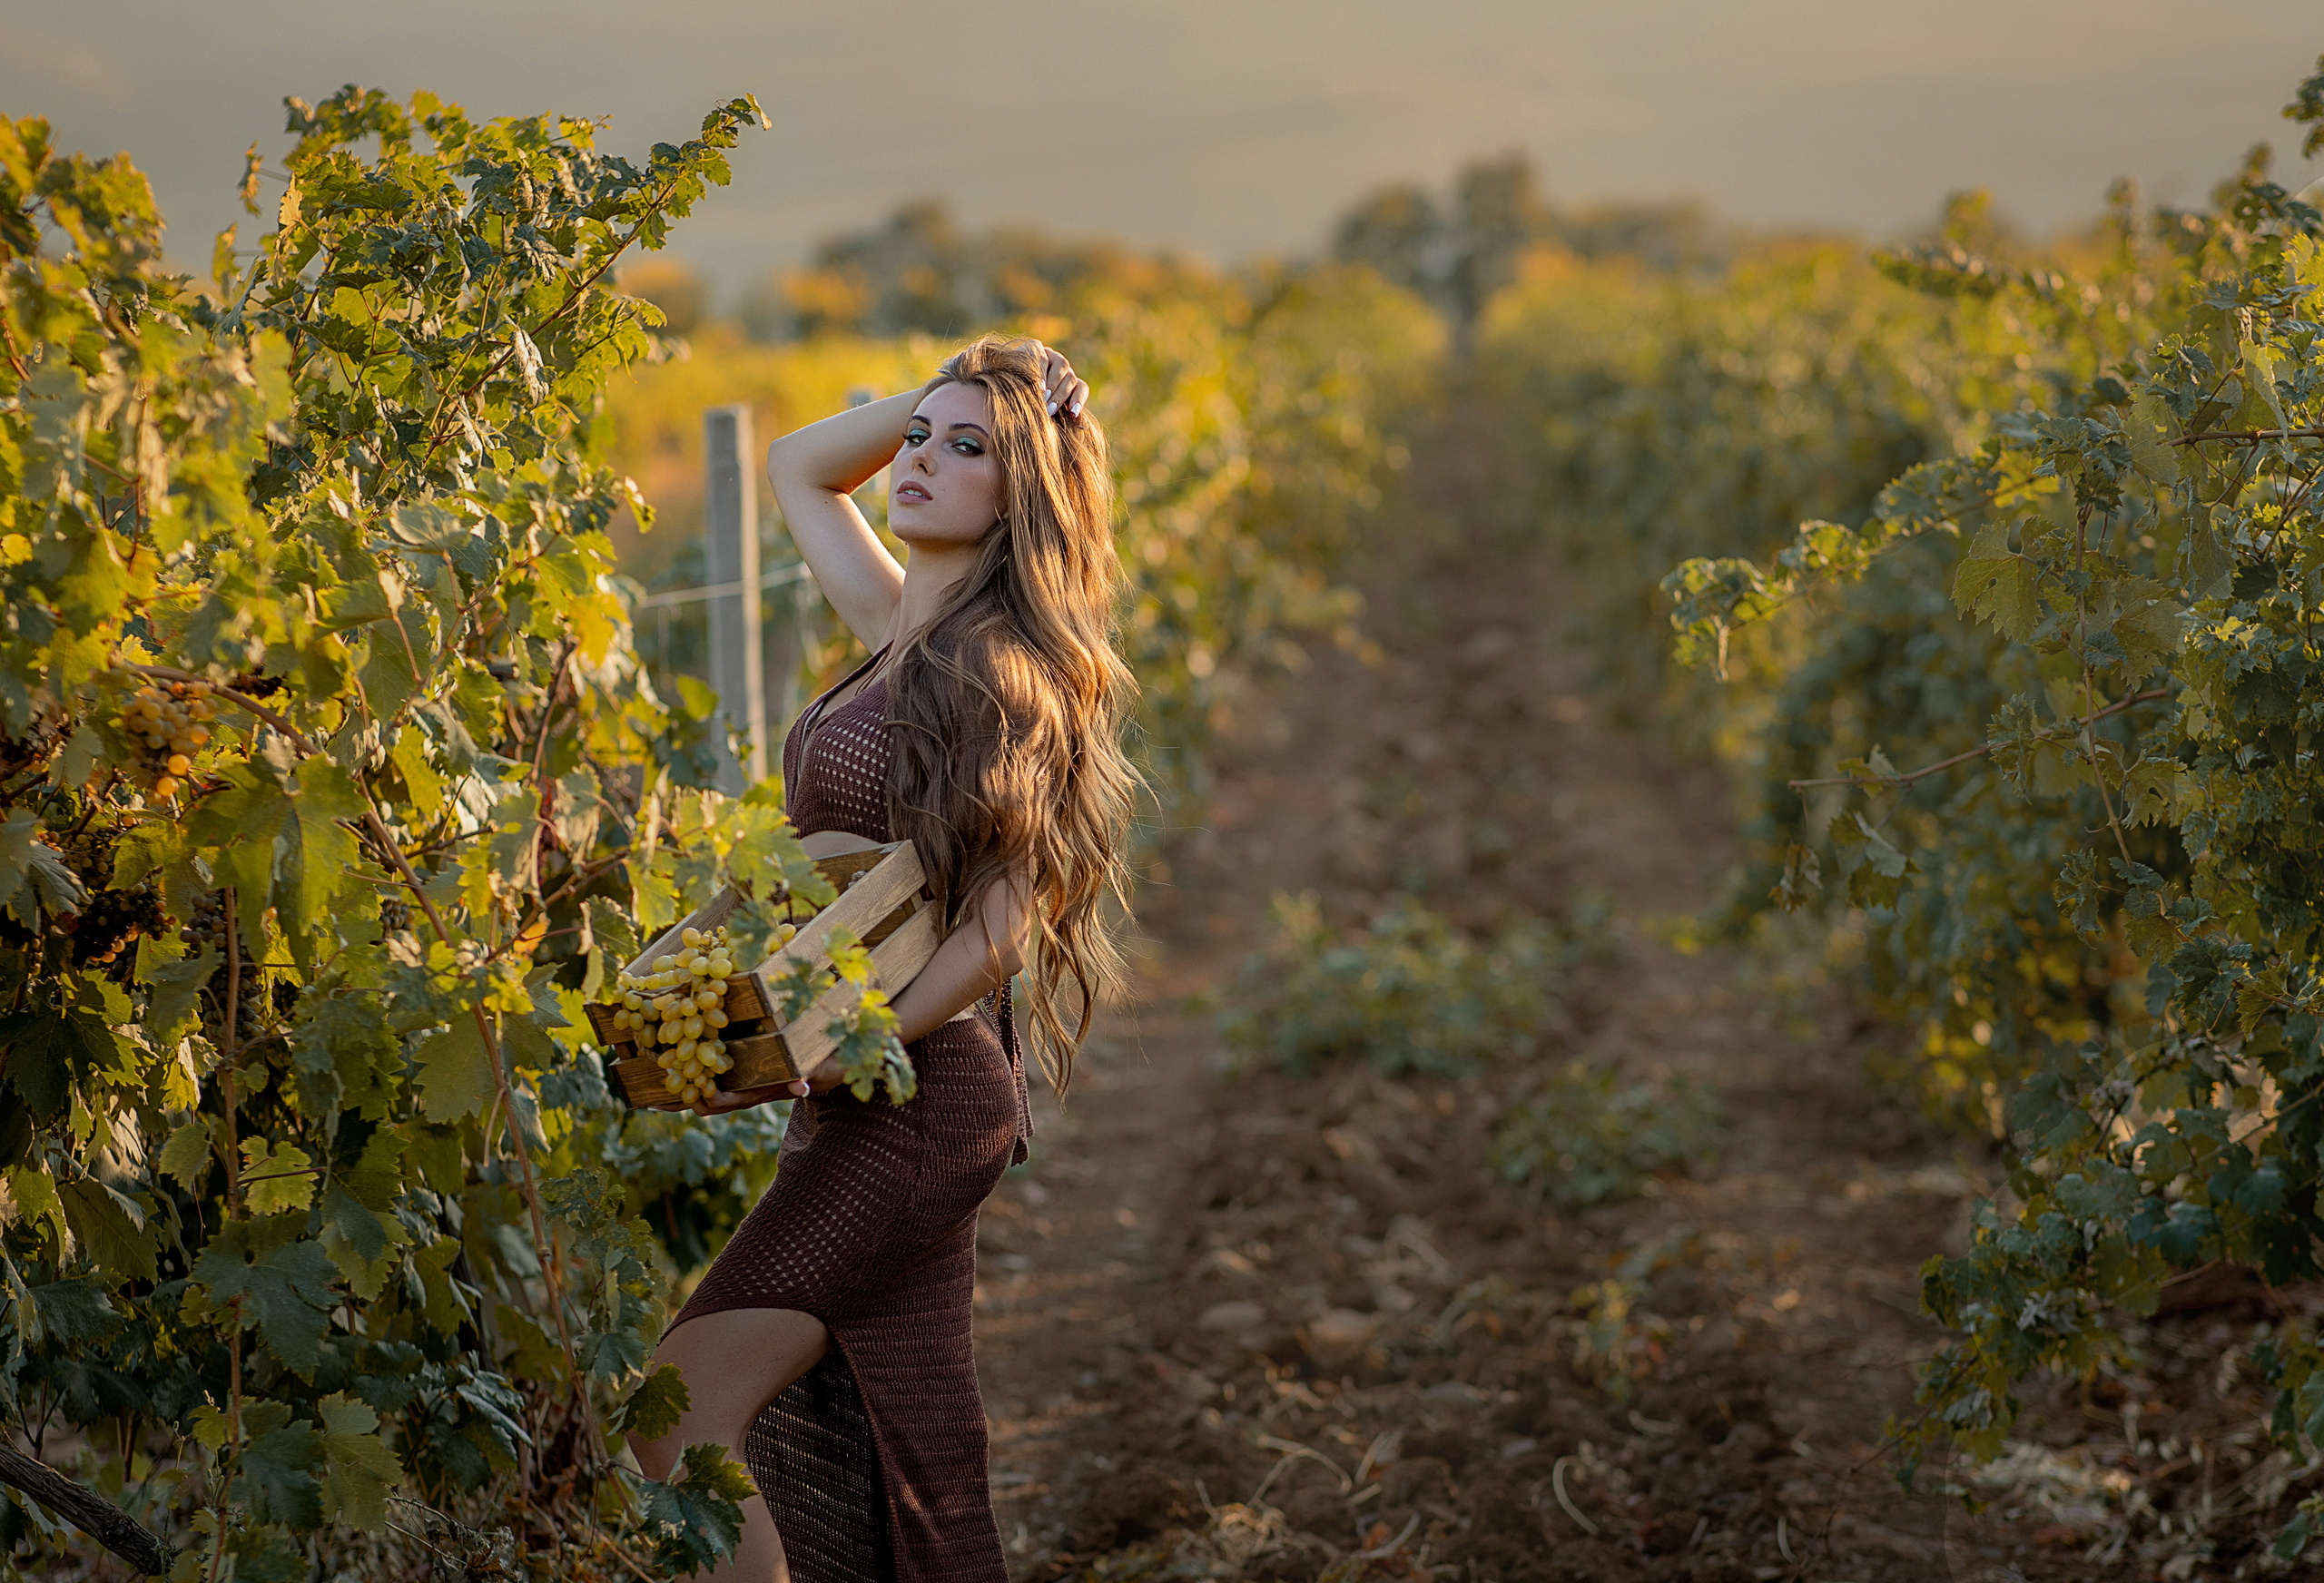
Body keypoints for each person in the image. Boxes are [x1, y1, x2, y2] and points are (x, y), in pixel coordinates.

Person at [626, 337, 1137, 1582]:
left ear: (1024, 492)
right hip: (866, 1090)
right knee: (885, 1439)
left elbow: (1004, 924)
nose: (918, 459)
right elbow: (802, 467)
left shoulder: (1001, 673)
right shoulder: (901, 626)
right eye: (917, 437)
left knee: (677, 1417)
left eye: (967, 452)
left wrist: (867, 1032)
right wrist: (981, 388)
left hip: (921, 1094)